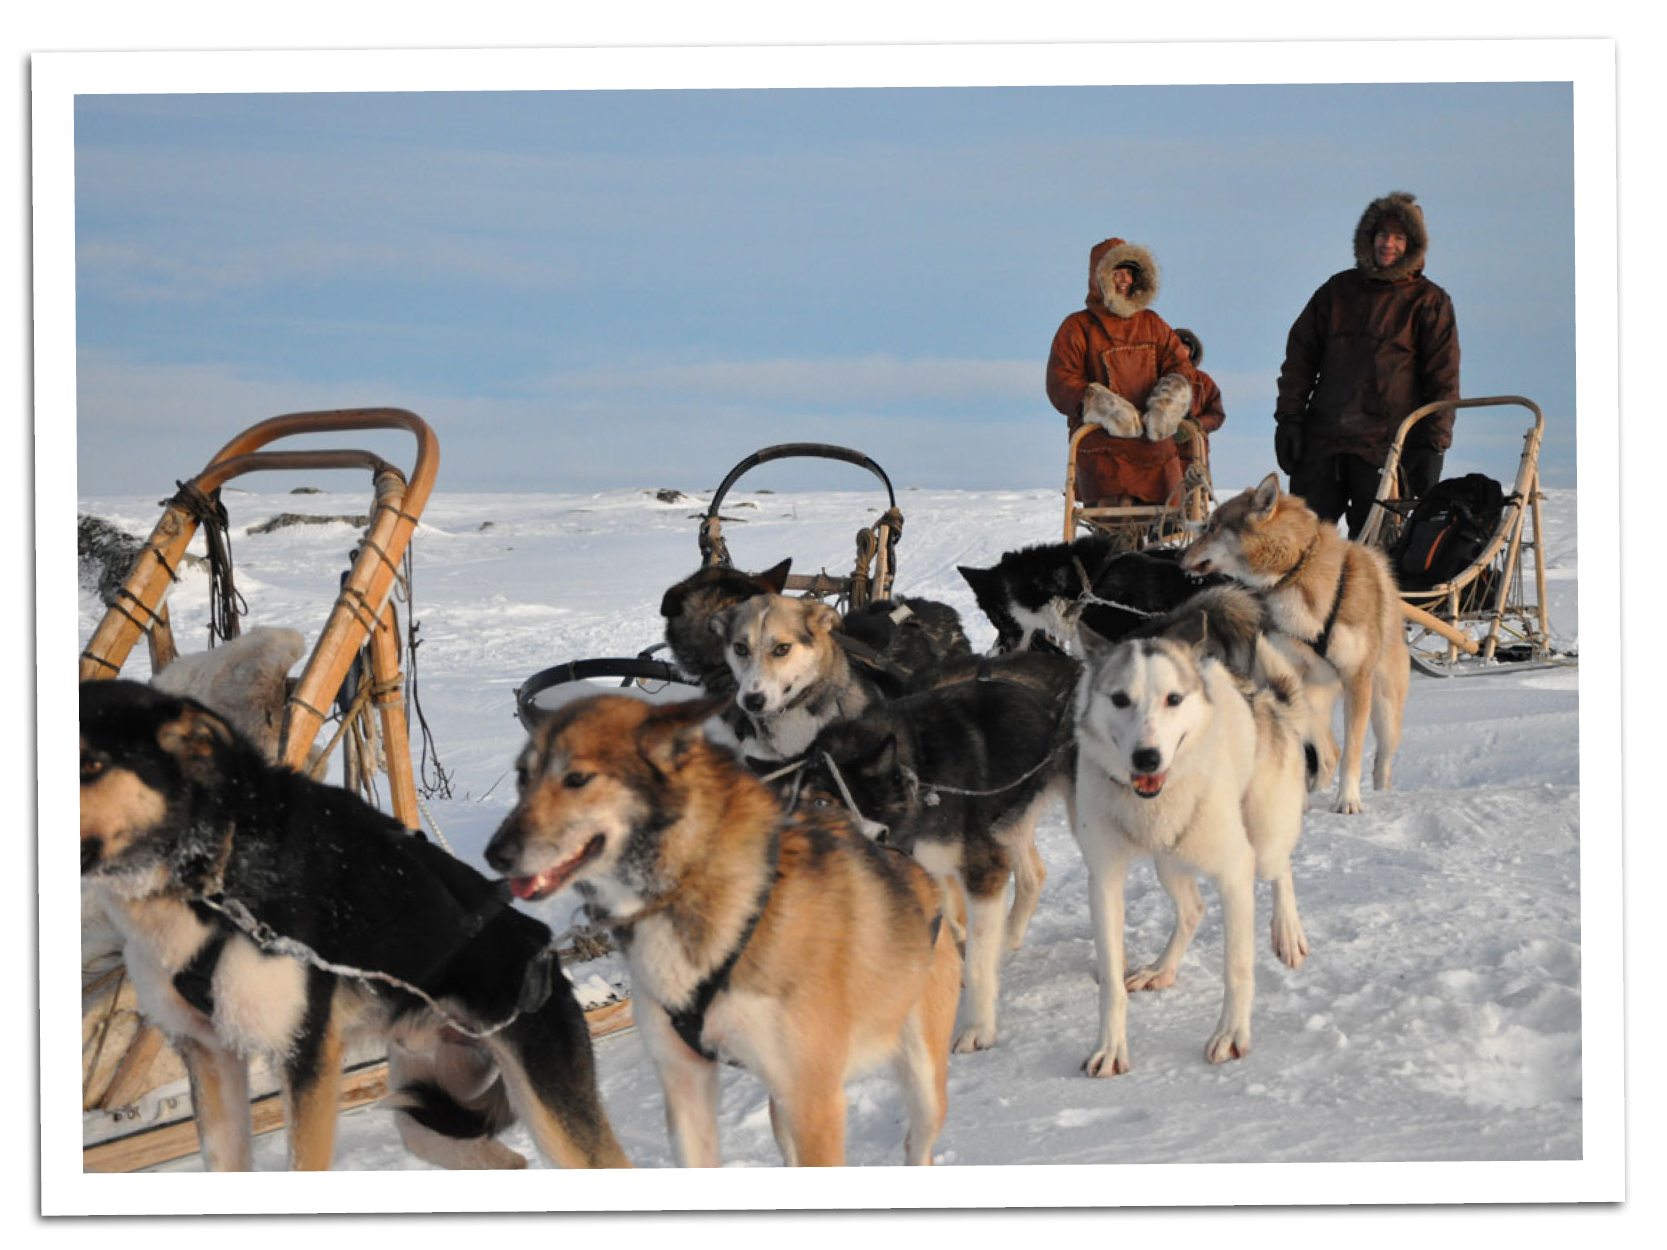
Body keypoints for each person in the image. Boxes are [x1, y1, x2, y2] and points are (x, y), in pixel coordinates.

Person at [1273, 191, 1460, 537]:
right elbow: (1300, 358)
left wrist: (1432, 444)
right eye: (1381, 235)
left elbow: (1443, 379)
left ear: (1413, 244)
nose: (1387, 244)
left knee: (1378, 553)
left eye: (1398, 237)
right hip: (1322, 443)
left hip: (1386, 448)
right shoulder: (1336, 291)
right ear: (1368, 238)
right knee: (1302, 548)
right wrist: (1290, 418)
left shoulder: (1429, 300)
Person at [1046, 238, 1198, 508]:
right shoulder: (1078, 327)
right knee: (1117, 512)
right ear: (1099, 278)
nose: (1124, 280)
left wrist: (1170, 400)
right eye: (1116, 273)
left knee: (1166, 513)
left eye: (1129, 273)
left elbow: (1180, 367)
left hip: (1152, 438)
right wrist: (1102, 406)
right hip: (1101, 440)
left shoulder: (1152, 324)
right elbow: (1060, 381)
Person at [1171, 327, 1225, 471]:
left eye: (1185, 348)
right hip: (1161, 454)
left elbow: (1217, 414)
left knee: (1196, 492)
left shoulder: (1203, 382)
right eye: (1177, 347)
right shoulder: (1155, 378)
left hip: (1194, 454)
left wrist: (1196, 425)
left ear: (1192, 352)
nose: (1181, 351)